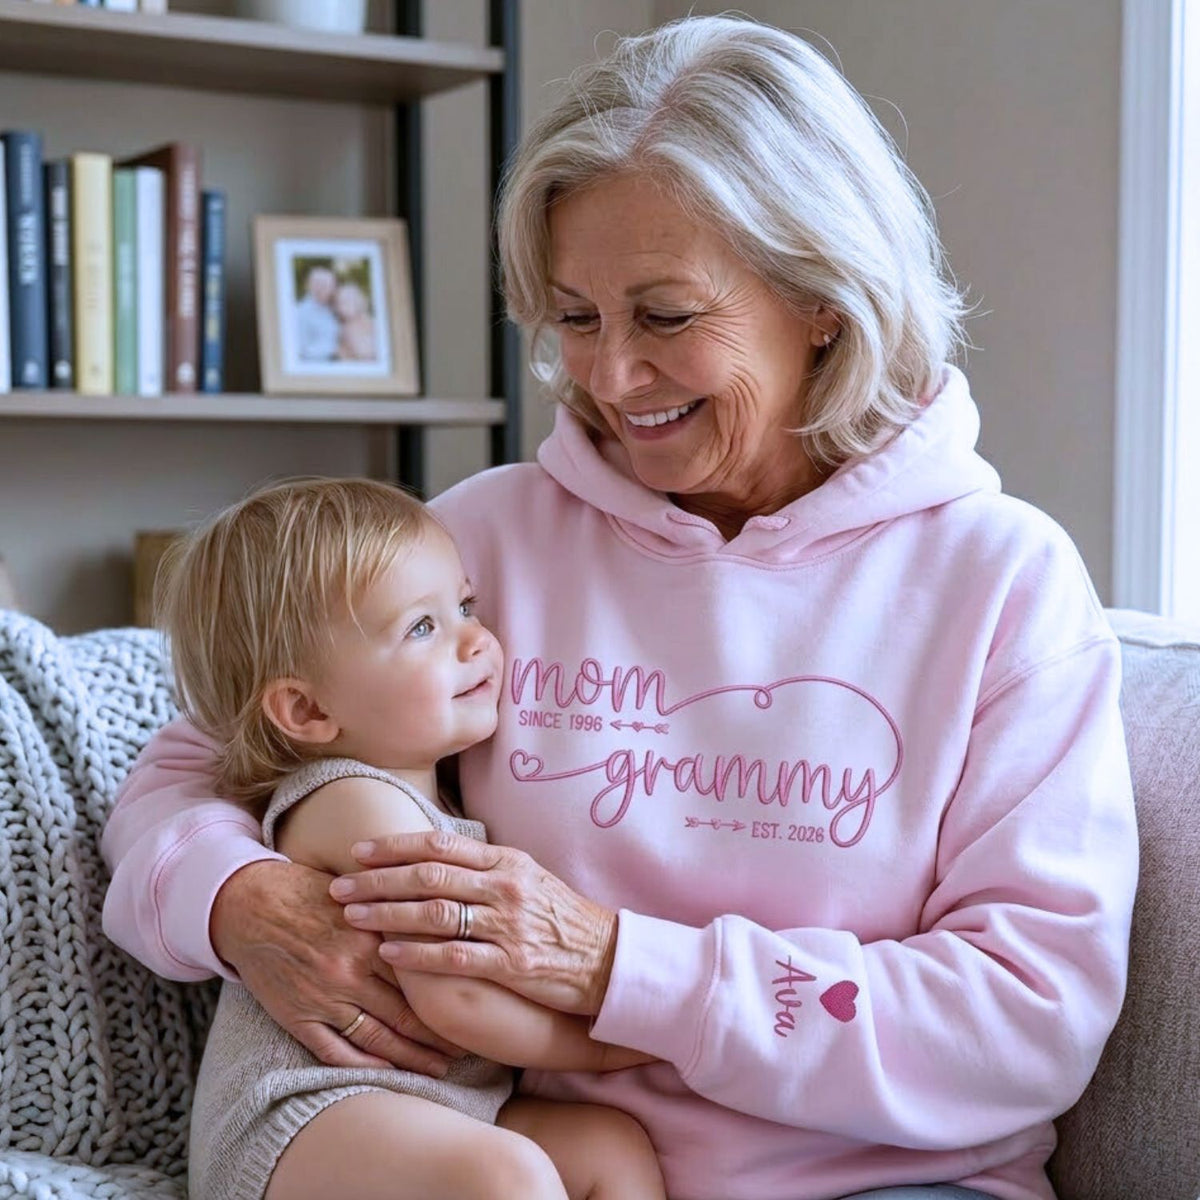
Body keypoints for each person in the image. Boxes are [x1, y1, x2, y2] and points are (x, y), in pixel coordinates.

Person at [102, 15, 1138, 1200]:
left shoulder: (1003, 583)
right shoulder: (481, 542)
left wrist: (619, 967)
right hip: (546, 1174)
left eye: (665, 315)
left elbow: (1024, 1020)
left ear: (823, 299)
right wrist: (239, 900)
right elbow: (201, 756)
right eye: (576, 319)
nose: (608, 378)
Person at [156, 477, 665, 1200]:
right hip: (302, 1121)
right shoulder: (353, 802)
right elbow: (459, 998)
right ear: (306, 709)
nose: (476, 640)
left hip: (431, 1110)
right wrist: (622, 1041)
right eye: (422, 629)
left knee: (610, 1147)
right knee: (507, 1176)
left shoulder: (437, 793)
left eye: (464, 606)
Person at [293, 265, 339, 362]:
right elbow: (301, 350)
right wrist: (334, 349)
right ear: (309, 285)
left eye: (327, 285)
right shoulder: (300, 312)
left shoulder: (335, 308)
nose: (322, 288)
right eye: (318, 283)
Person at [333, 280, 378, 361]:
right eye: (339, 303)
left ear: (358, 301)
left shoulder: (372, 323)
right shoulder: (343, 329)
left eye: (347, 302)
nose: (341, 307)